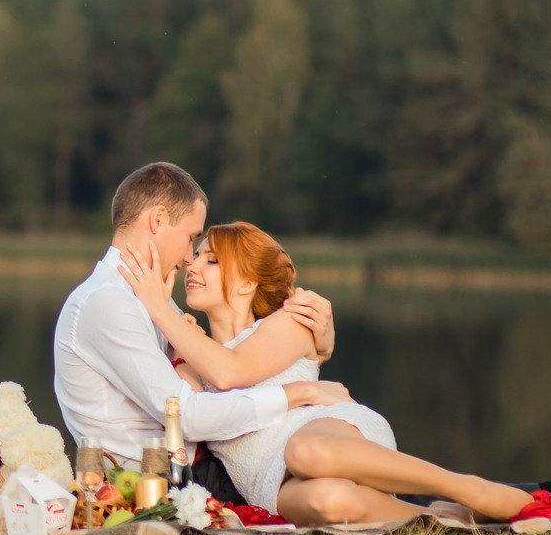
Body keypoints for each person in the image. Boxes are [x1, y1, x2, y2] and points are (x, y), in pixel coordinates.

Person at [115, 218, 551, 525]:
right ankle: (439, 517)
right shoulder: (190, 357)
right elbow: (189, 414)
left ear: (247, 282)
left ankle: (467, 488)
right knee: (327, 500)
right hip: (268, 479)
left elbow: (232, 372)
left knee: (308, 454)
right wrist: (174, 334)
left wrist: (158, 305)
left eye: (210, 260)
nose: (192, 266)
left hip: (328, 434)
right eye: (195, 258)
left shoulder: (290, 320)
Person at [50, 162, 348, 488]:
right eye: (192, 237)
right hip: (160, 484)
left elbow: (230, 359)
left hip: (198, 470)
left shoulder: (145, 296)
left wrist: (318, 349)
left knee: (319, 473)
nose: (190, 257)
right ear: (158, 220)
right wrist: (298, 393)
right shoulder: (107, 303)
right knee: (311, 479)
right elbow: (188, 415)